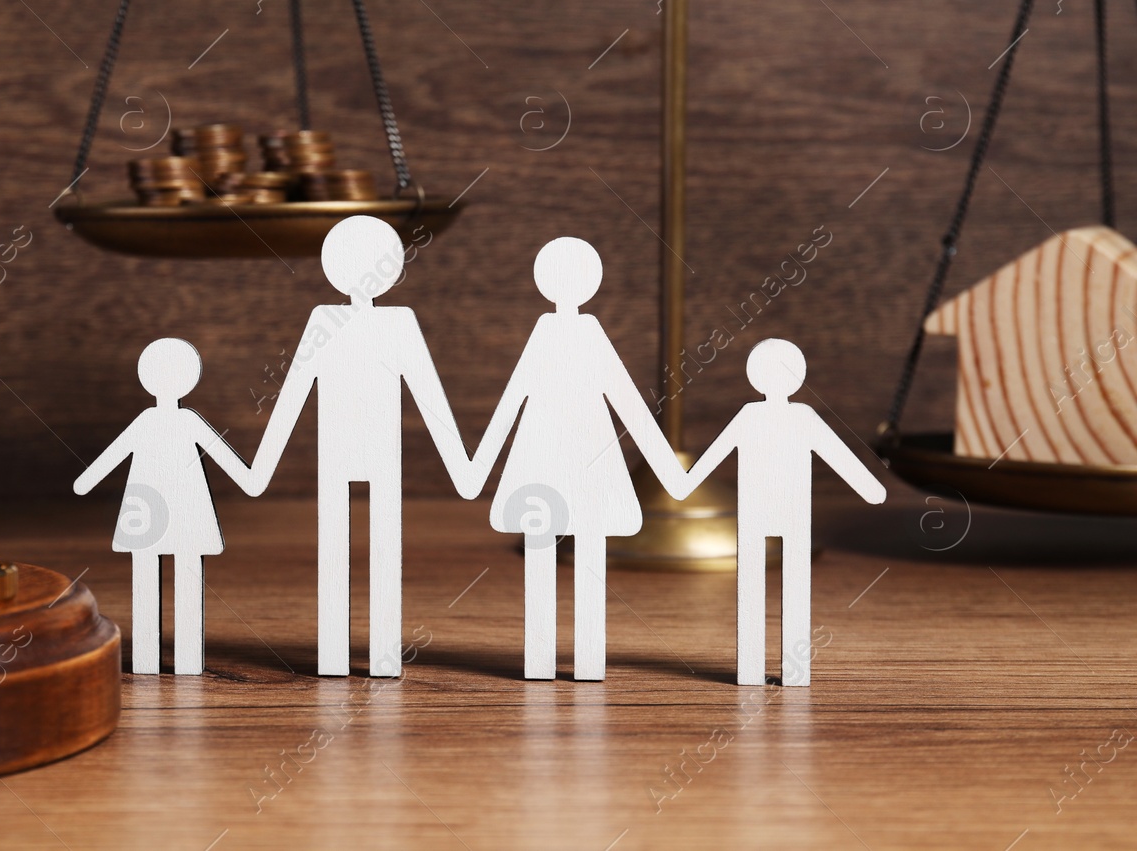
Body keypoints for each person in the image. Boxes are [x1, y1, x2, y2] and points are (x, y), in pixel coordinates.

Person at [249, 215, 473, 677]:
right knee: (345, 548)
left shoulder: (379, 323)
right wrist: (464, 469)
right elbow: (293, 393)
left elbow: (427, 393)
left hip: (371, 453)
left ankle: (372, 656)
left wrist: (462, 466)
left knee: (376, 548)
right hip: (341, 454)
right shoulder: (329, 321)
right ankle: (343, 655)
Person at [462, 236, 691, 680]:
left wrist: (477, 466)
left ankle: (568, 659)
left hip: (568, 457)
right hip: (564, 457)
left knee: (571, 551)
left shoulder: (571, 334)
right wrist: (669, 470)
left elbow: (618, 399)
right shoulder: (560, 334)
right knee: (571, 552)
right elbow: (523, 397)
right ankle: (555, 659)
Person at [680, 338, 886, 686]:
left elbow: (707, 463)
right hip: (778, 514)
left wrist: (683, 484)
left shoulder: (756, 416)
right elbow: (841, 459)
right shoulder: (794, 416)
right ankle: (780, 670)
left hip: (768, 513)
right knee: (787, 586)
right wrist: (870, 489)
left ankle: (758, 669)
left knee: (768, 584)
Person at [72, 338, 254, 676]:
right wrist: (252, 479)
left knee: (157, 575)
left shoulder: (157, 421)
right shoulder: (179, 421)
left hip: (150, 512)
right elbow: (232, 464)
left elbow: (107, 461)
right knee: (174, 576)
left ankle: (155, 658)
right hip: (165, 511)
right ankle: (168, 660)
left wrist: (85, 482)